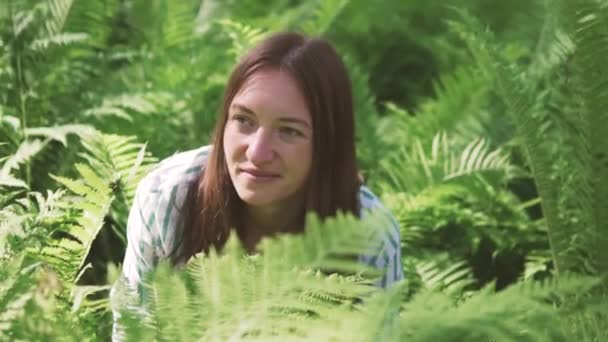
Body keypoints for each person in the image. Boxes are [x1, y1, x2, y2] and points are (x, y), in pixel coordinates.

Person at [110, 31, 403, 339]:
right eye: (244, 121)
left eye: (289, 131)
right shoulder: (167, 200)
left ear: (327, 145)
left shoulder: (368, 234)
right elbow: (134, 333)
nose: (257, 152)